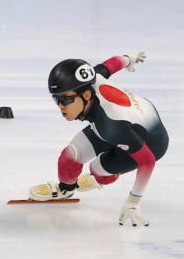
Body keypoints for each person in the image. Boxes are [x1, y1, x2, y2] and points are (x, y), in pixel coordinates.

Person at [29, 52, 166, 226]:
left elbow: (147, 160)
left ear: (86, 95)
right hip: (126, 122)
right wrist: (130, 58)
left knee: (97, 169)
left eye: (66, 99)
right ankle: (66, 189)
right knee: (69, 157)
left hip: (151, 142)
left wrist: (133, 201)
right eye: (56, 98)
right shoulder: (90, 79)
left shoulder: (111, 127)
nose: (60, 106)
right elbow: (113, 63)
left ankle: (102, 177)